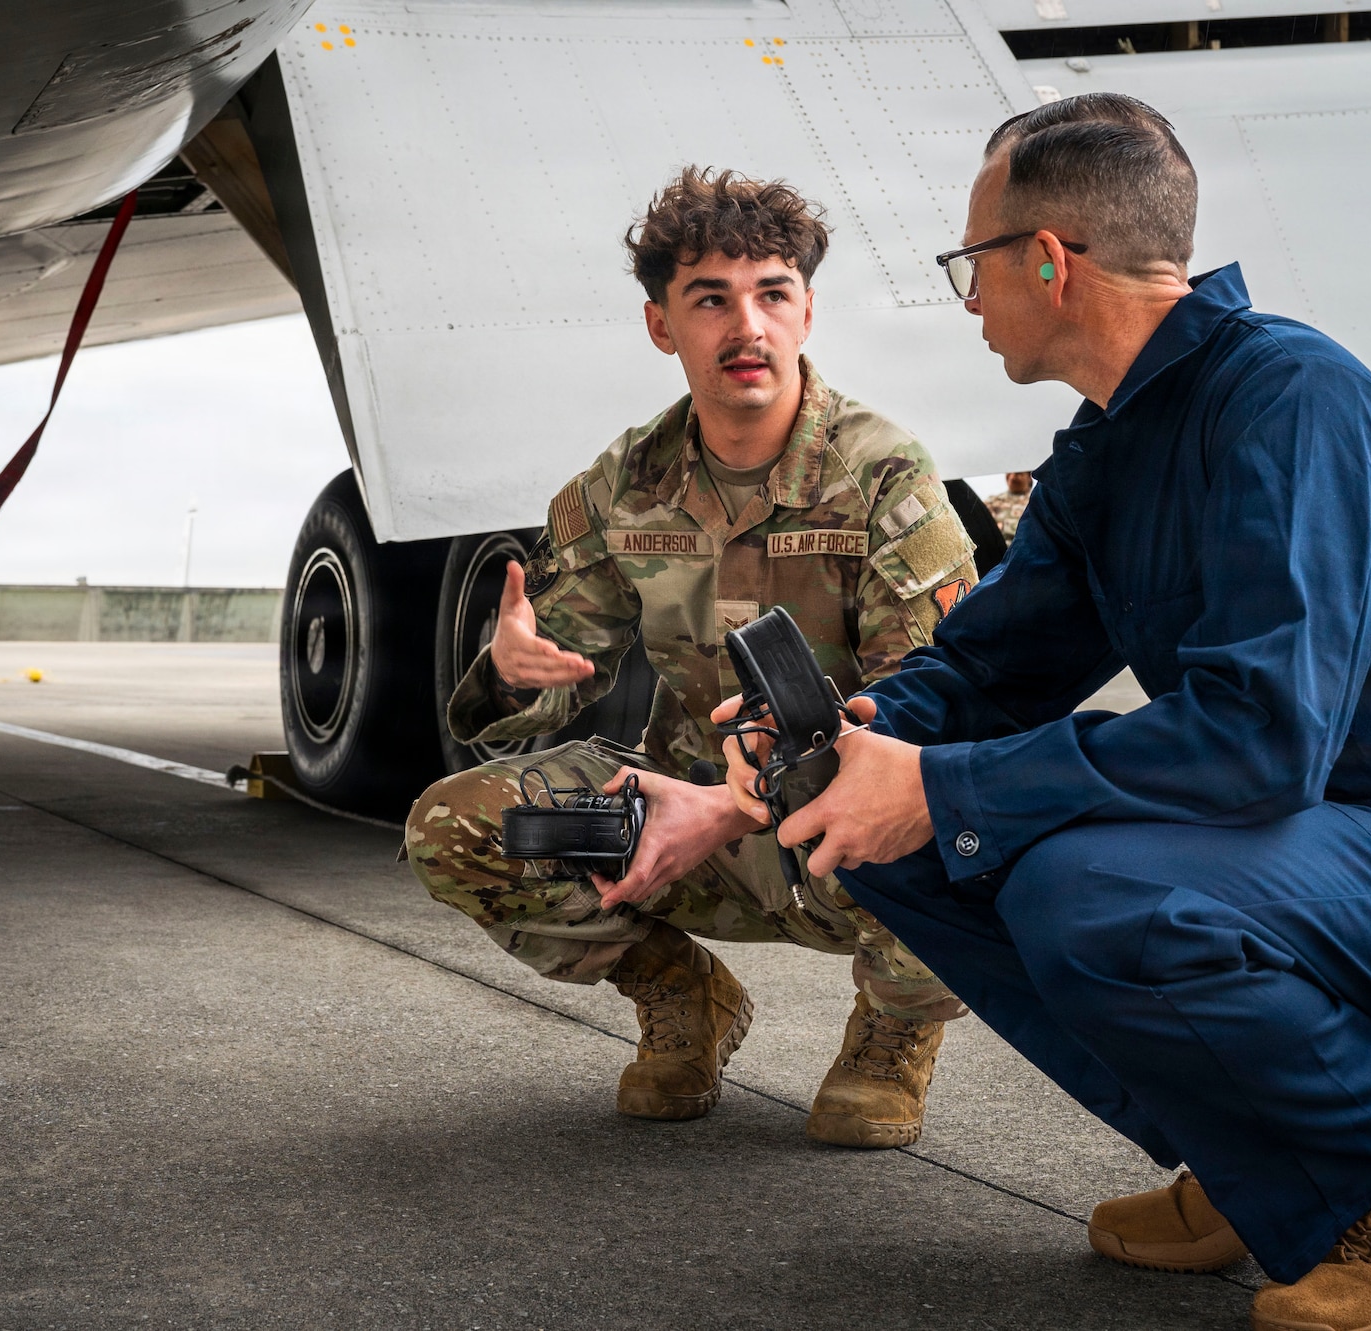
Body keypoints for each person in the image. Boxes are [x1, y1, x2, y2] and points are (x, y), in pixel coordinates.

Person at [722, 95, 1371, 1330]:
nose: (965, 300)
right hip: (1303, 849)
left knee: (1084, 889)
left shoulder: (1291, 399)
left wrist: (943, 784)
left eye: (971, 264)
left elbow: (1259, 737)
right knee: (895, 838)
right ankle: (1260, 1166)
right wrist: (848, 740)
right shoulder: (1112, 443)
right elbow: (990, 668)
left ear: (1046, 261)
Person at [405, 167, 980, 1147]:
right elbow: (555, 670)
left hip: (843, 825)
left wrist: (753, 798)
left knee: (959, 822)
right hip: (684, 827)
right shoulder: (624, 483)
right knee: (458, 826)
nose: (746, 327)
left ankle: (892, 1034)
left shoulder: (885, 475)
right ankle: (681, 993)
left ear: (806, 312)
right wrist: (513, 669)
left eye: (772, 294)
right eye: (710, 299)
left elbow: (938, 707)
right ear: (660, 325)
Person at [983, 471, 1032, 542]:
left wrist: (1003, 527)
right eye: (1009, 472)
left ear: (1029, 477)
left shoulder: (1035, 503)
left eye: (1018, 474)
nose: (1012, 477)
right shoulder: (992, 501)